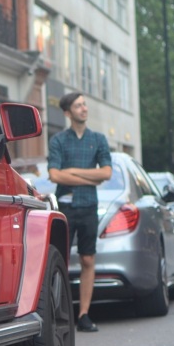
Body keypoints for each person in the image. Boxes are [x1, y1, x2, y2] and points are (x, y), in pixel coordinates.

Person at [48, 92, 112, 333]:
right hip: (64, 207)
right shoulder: (58, 141)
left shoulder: (98, 139)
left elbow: (106, 173)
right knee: (60, 260)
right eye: (78, 105)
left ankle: (84, 314)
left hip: (88, 207)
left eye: (84, 104)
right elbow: (55, 175)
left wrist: (72, 172)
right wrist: (89, 176)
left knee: (87, 259)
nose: (84, 108)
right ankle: (57, 312)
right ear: (67, 113)